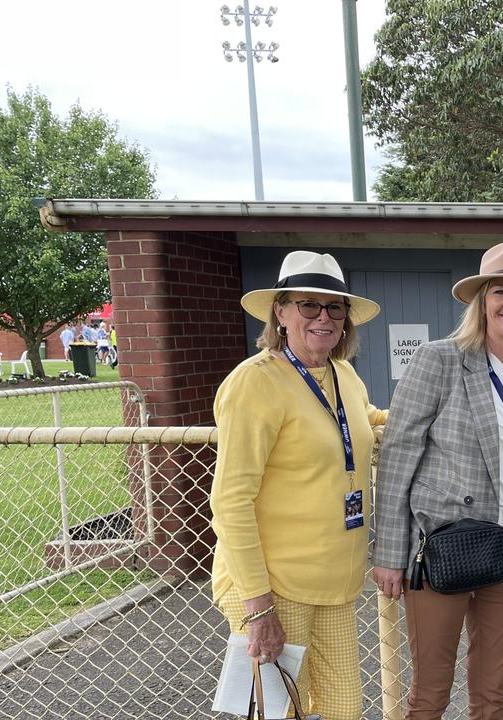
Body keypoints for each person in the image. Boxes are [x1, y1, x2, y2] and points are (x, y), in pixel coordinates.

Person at [373, 241, 503, 720]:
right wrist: (390, 554)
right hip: (444, 544)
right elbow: (398, 454)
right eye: (498, 290)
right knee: (430, 691)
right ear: (481, 302)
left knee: (491, 692)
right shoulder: (439, 360)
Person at [209, 250, 386, 720]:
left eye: (335, 307)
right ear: (281, 312)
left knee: (344, 709)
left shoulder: (342, 373)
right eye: (309, 305)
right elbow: (230, 500)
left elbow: (364, 423)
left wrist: (431, 415)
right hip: (276, 585)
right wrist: (258, 606)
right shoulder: (255, 383)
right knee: (277, 711)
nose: (324, 317)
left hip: (334, 583)